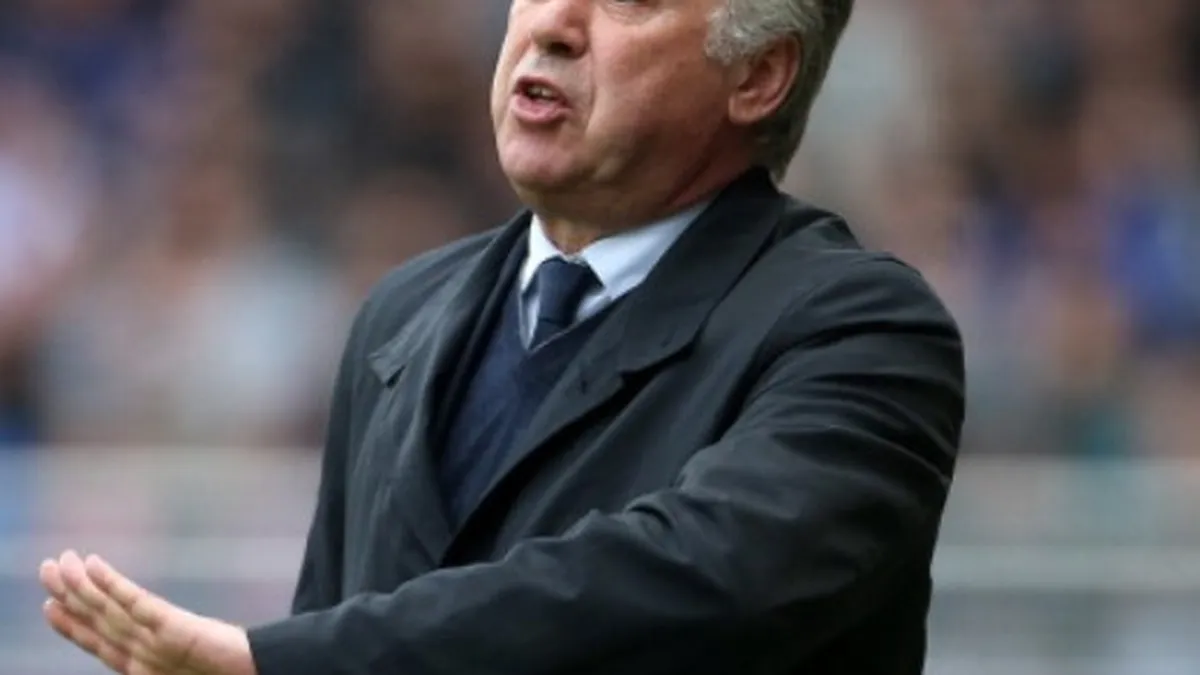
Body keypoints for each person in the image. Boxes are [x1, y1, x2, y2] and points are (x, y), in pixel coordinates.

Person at [37, 0, 966, 673]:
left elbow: (699, 582)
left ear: (758, 76)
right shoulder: (401, 315)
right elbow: (334, 612)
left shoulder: (860, 330)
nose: (550, 23)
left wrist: (284, 664)